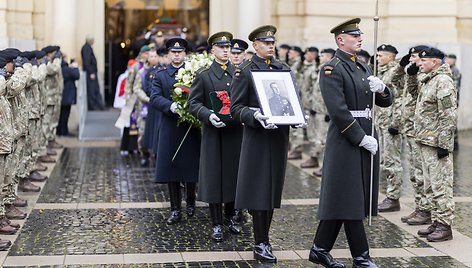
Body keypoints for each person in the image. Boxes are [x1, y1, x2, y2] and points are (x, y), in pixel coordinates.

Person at [308, 18, 393, 268]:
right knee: (351, 198)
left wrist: (384, 89)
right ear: (340, 40)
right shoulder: (331, 69)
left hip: (366, 135)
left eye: (360, 35)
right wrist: (360, 138)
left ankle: (319, 249)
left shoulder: (363, 67)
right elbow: (338, 110)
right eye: (354, 36)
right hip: (346, 139)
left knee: (344, 198)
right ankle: (361, 256)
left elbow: (384, 103)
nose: (360, 39)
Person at [230, 25, 292, 263]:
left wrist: (296, 116)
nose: (270, 46)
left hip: (278, 136)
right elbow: (235, 108)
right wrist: (254, 115)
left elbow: (289, 99)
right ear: (255, 45)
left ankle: (264, 237)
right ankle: (261, 242)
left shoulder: (282, 68)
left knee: (273, 189)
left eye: (272, 42)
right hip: (257, 137)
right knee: (259, 189)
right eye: (265, 43)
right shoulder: (244, 70)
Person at [188, 31, 243, 242]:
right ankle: (217, 223)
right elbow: (193, 104)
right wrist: (209, 115)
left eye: (228, 47)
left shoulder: (238, 72)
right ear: (212, 50)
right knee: (215, 178)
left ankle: (231, 217)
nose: (226, 50)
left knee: (233, 176)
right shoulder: (204, 75)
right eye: (221, 47)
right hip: (214, 133)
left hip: (235, 132)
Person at [150, 38, 200, 225]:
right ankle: (175, 208)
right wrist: (171, 106)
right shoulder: (161, 75)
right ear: (168, 54)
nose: (177, 54)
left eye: (180, 52)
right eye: (173, 52)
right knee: (172, 168)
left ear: (185, 54)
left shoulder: (194, 72)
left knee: (190, 165)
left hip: (190, 125)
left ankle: (191, 203)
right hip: (170, 126)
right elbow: (154, 97)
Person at [409, 47, 457, 242]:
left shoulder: (443, 81)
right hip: (424, 139)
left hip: (436, 142)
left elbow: (449, 115)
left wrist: (444, 144)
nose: (420, 64)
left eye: (423, 61)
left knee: (441, 185)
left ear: (434, 62)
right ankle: (437, 221)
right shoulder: (429, 79)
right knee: (430, 185)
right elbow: (413, 96)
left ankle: (445, 225)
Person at [374, 44, 405, 213]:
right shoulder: (382, 71)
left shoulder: (397, 72)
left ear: (390, 57)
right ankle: (390, 195)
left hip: (391, 124)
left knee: (392, 161)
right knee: (385, 161)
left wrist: (396, 123)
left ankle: (393, 198)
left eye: (380, 56)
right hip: (382, 121)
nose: (377, 59)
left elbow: (400, 99)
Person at [310, 48, 336, 177]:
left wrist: (328, 112)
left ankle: (324, 167)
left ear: (329, 57)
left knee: (324, 140)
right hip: (318, 109)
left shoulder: (329, 70)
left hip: (325, 111)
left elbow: (330, 93)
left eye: (323, 55)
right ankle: (317, 161)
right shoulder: (321, 68)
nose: (320, 57)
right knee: (318, 137)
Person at [299, 46, 320, 168]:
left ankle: (315, 158)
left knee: (317, 135)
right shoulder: (305, 67)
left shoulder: (315, 70)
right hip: (307, 104)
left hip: (316, 107)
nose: (305, 55)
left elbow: (316, 90)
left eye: (307, 53)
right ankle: (312, 157)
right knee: (311, 133)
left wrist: (313, 105)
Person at [58, 55, 80, 136]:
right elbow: (77, 75)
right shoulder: (66, 69)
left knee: (63, 115)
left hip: (64, 96)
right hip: (66, 96)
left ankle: (62, 131)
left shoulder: (62, 68)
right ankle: (63, 132)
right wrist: (75, 67)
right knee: (64, 115)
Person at [81, 34, 104, 110]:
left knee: (95, 89)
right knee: (92, 89)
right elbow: (87, 62)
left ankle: (99, 105)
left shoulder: (88, 48)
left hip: (92, 72)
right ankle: (93, 106)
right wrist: (91, 72)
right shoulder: (86, 48)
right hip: (91, 73)